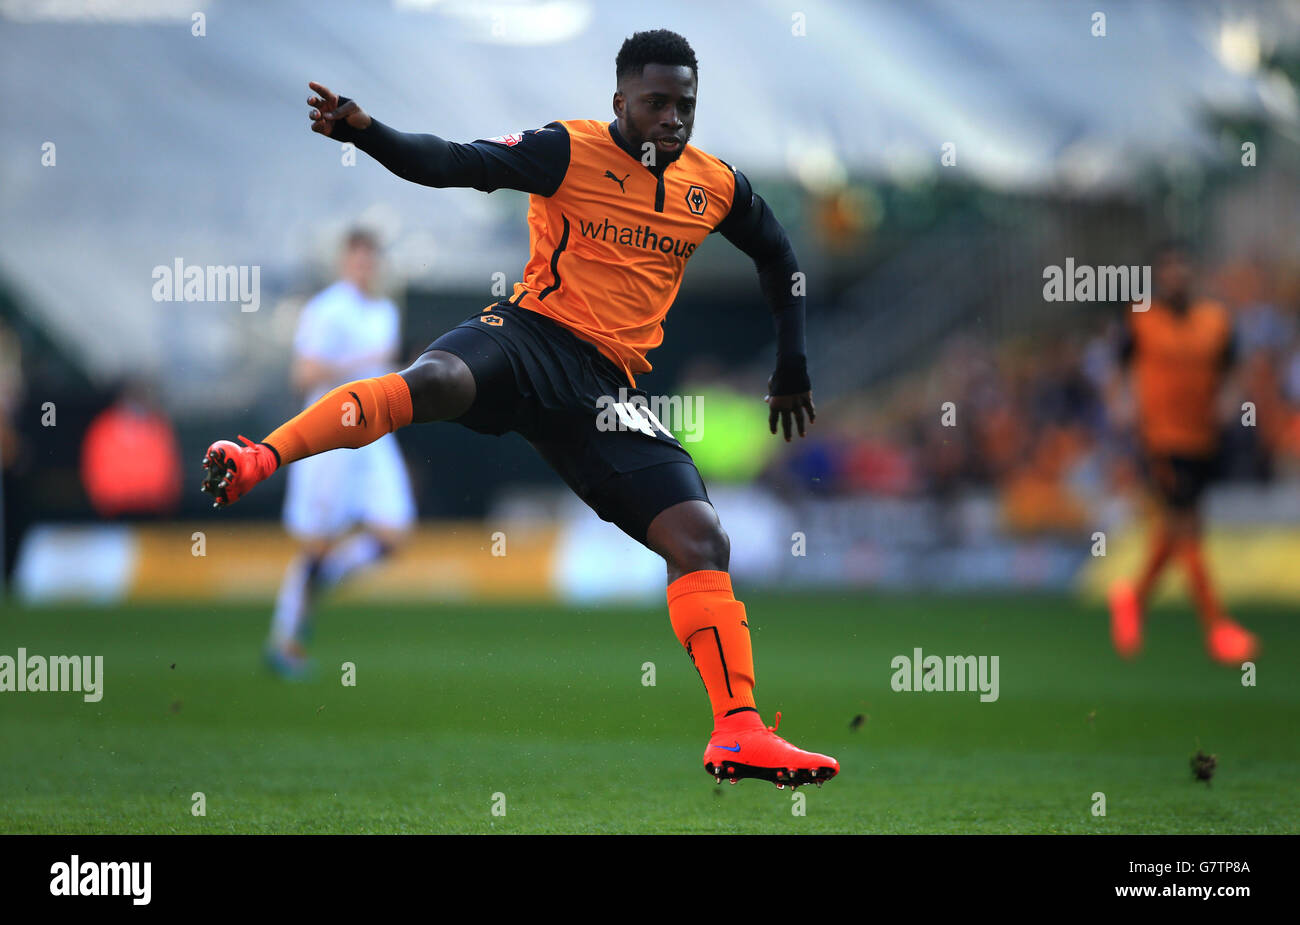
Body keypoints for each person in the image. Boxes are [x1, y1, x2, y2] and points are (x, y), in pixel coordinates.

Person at [201, 30, 836, 787]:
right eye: (656, 102)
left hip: (605, 391)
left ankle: (738, 731)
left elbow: (779, 258)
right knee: (435, 378)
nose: (673, 118)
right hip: (528, 337)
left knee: (700, 538)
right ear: (620, 102)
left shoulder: (716, 185)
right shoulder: (567, 150)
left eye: (685, 105)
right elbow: (455, 163)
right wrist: (367, 134)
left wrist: (792, 364)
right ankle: (259, 456)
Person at [266, 229, 415, 678]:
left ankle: (324, 577)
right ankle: (285, 639)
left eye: (370, 260)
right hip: (330, 435)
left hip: (375, 434)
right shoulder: (326, 310)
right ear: (344, 262)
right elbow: (305, 373)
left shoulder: (385, 311)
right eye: (357, 259)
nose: (363, 267)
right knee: (317, 540)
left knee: (394, 535)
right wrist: (363, 364)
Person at [1108, 242, 1259, 666]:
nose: (1176, 277)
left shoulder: (1215, 322)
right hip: (1162, 439)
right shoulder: (1141, 318)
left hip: (1202, 440)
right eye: (1168, 270)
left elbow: (1233, 371)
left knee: (1177, 530)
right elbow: (1119, 367)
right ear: (1159, 277)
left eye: (1182, 269)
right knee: (1188, 528)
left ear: (1192, 274)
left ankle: (1131, 598)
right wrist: (1120, 402)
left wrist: (1230, 401)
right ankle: (1218, 628)